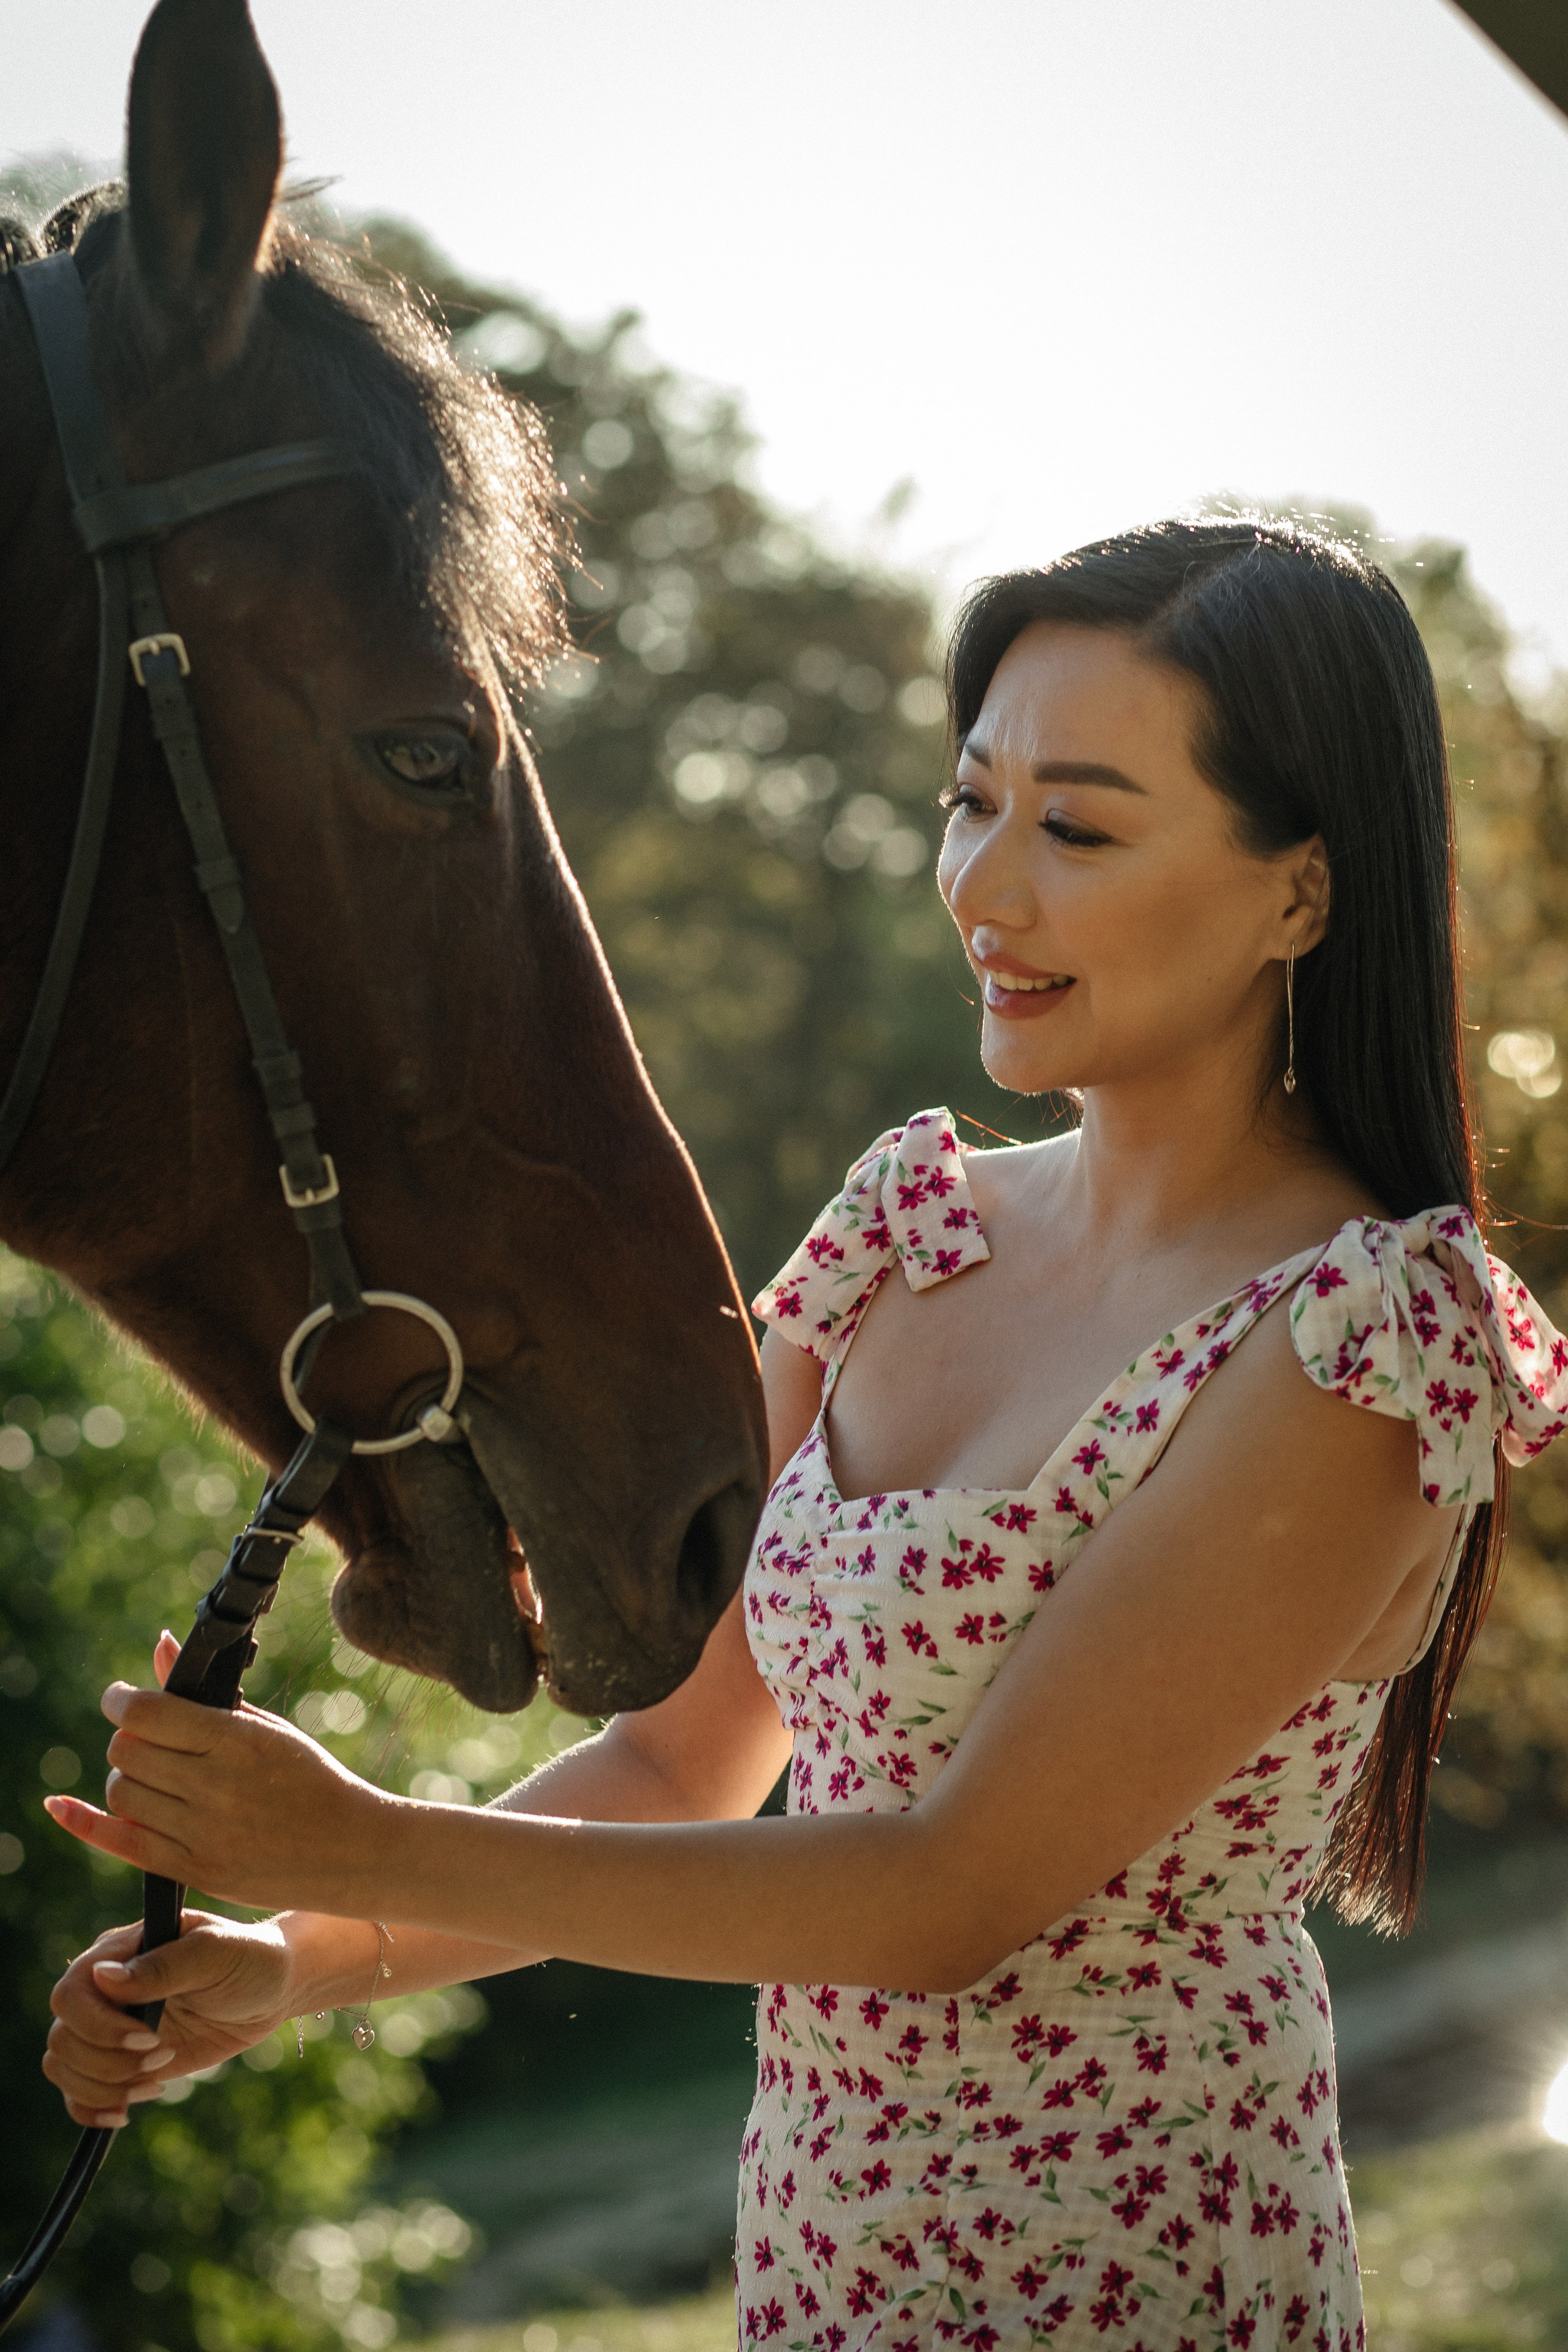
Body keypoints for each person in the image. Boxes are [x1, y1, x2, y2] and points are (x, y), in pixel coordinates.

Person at [42, 518, 1568, 2350]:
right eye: (972, 802)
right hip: (826, 2271)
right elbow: (677, 1765)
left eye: (1079, 831)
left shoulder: (1365, 1338)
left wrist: (357, 1847)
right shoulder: (903, 1232)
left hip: (1144, 2275)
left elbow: (946, 1895)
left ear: (1301, 893)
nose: (985, 888)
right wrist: (288, 1968)